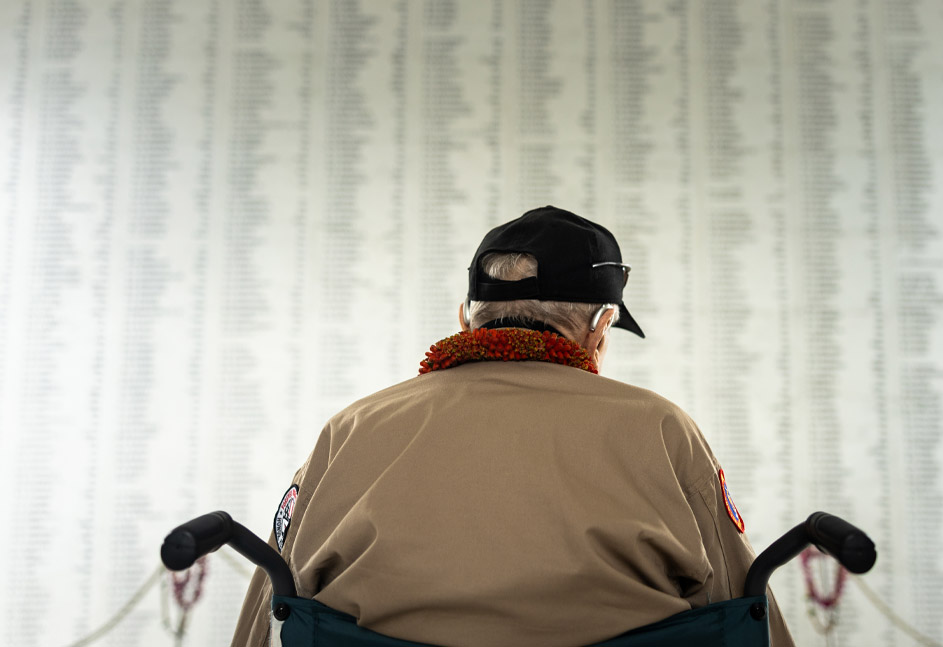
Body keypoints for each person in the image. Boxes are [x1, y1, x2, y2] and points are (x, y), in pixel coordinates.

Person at [231, 206, 794, 647]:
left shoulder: (351, 429)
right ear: (601, 328)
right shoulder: (662, 429)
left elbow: (272, 608)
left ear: (466, 318)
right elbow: (743, 608)